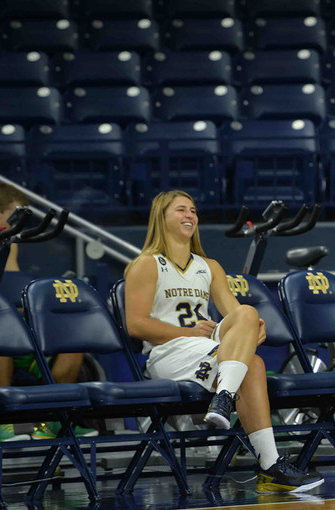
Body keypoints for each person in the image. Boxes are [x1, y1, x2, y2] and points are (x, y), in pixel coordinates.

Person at [123, 190, 323, 494]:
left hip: (204, 346)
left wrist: (253, 328)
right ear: (161, 218)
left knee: (246, 313)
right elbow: (136, 325)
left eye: (193, 210)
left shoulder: (209, 266)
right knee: (253, 365)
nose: (190, 215)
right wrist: (190, 332)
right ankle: (270, 466)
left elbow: (234, 314)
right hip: (168, 352)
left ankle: (224, 397)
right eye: (180, 210)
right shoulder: (147, 264)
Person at [0, 184, 85, 441]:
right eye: (13, 216)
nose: (17, 224)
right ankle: (0, 424)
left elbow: (12, 284)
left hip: (1, 317)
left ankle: (54, 420)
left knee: (72, 345)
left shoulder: (8, 241)